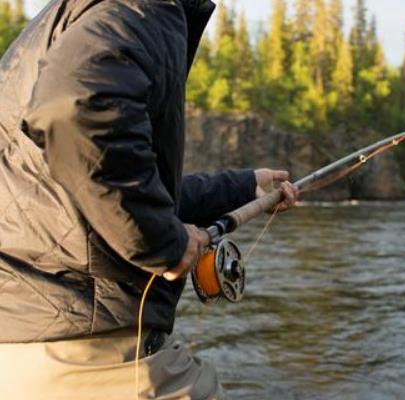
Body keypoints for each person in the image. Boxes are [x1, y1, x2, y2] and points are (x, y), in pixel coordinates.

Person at [0, 0, 297, 398]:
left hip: (19, 347)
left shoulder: (56, 25)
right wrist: (163, 245)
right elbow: (73, 105)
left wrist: (242, 187)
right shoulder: (143, 8)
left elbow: (86, 194)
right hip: (86, 350)